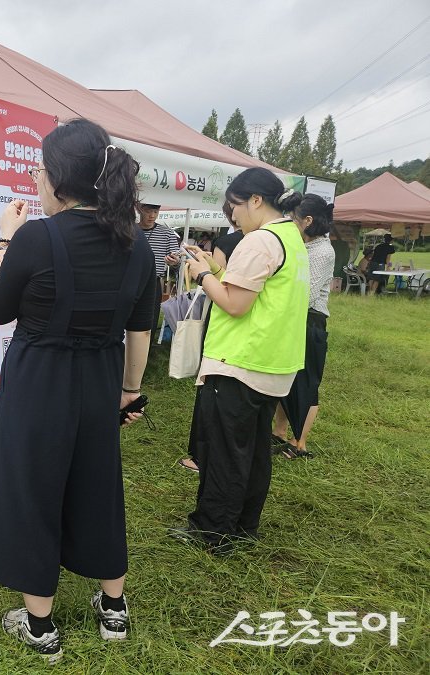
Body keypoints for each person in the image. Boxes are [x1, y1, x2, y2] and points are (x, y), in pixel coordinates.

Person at [0, 119, 156, 662]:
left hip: (39, 381)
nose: (35, 179)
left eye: (39, 168)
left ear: (58, 177)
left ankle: (40, 625)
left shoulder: (37, 236)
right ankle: (114, 609)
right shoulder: (137, 243)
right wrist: (128, 391)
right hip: (101, 380)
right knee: (98, 486)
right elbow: (141, 327)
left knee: (33, 488)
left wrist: (5, 239)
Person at [176, 168, 308, 554]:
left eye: (234, 206)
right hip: (273, 364)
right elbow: (256, 290)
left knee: (224, 453)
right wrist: (216, 269)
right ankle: (243, 526)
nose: (232, 216)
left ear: (254, 200)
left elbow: (234, 303)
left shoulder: (259, 241)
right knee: (252, 452)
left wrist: (201, 275)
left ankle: (211, 532)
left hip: (240, 362)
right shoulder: (291, 237)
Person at [179, 201, 241, 474]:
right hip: (247, 342)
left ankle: (201, 456)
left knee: (211, 392)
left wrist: (203, 274)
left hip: (223, 326)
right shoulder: (276, 243)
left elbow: (226, 293)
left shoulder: (233, 242)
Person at [271, 195, 335, 459]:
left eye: (294, 218)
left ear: (308, 221)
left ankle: (300, 443)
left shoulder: (323, 251)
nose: (290, 222)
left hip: (310, 321)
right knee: (287, 378)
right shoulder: (302, 244)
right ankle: (279, 434)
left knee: (307, 382)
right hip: (295, 318)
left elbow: (305, 294)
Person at [136, 202, 181, 336]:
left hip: (153, 281)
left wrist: (174, 261)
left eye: (155, 212)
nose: (152, 216)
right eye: (148, 211)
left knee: (149, 318)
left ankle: (145, 350)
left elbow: (177, 258)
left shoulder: (167, 233)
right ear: (139, 210)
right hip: (130, 279)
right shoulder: (129, 230)